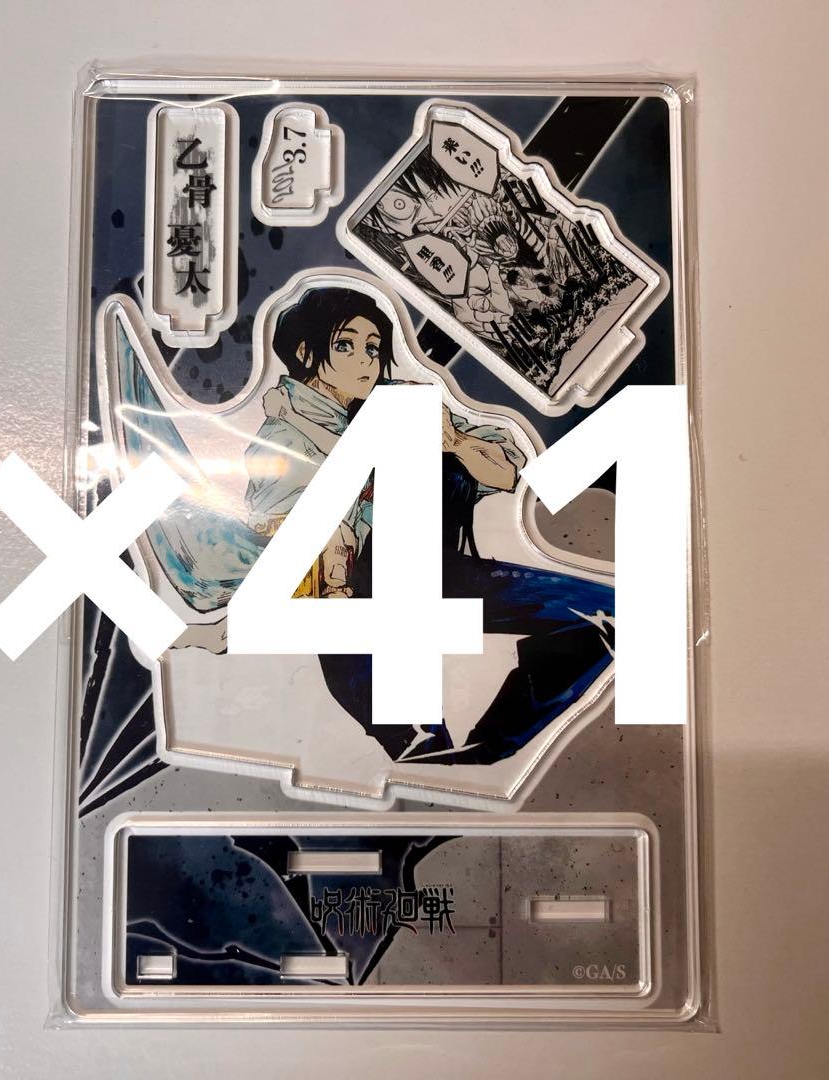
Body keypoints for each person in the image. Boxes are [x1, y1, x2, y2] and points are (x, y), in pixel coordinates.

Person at [244, 285, 614, 764]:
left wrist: (453, 441)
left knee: (608, 615)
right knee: (423, 748)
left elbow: (508, 471)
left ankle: (488, 750)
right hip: (360, 615)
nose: (365, 361)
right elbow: (288, 554)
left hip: (436, 577)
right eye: (345, 345)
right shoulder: (283, 438)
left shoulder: (397, 405)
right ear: (304, 353)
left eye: (373, 348)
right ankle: (454, 758)